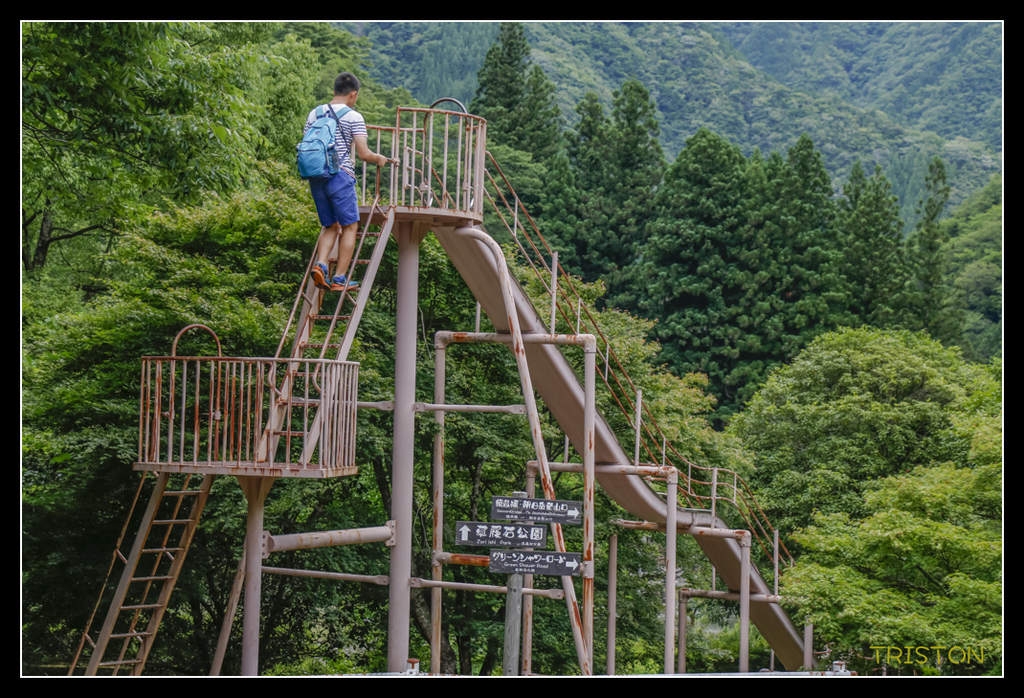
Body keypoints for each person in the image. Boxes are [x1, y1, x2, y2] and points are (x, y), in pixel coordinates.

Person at [304, 72, 389, 292]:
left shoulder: (314, 113)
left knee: (330, 225)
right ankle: (339, 279)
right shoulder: (354, 116)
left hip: (316, 175)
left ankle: (321, 265)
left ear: (334, 91)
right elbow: (364, 154)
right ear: (353, 94)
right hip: (340, 176)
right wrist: (379, 159)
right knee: (350, 226)